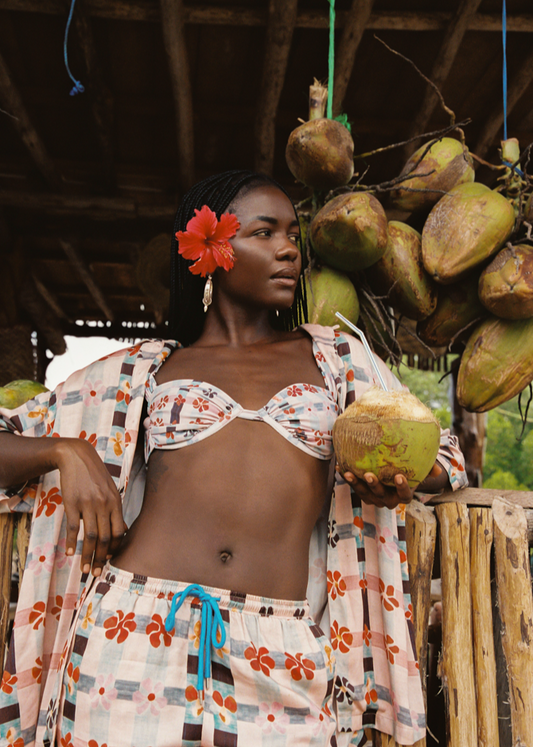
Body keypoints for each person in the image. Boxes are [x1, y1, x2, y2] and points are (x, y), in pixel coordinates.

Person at [0, 170, 467, 747]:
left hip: (283, 645)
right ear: (211, 251)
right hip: (136, 630)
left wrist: (398, 478)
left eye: (292, 234)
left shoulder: (337, 361)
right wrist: (64, 450)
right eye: (264, 232)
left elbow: (443, 453)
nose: (289, 249)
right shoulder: (144, 371)